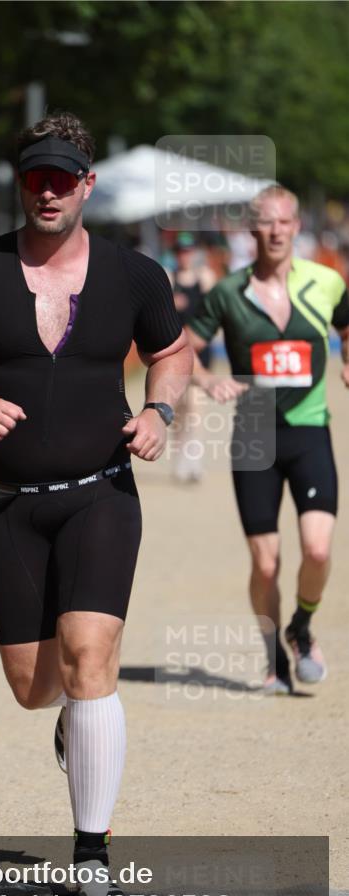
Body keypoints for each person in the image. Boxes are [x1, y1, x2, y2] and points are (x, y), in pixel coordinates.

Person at [0, 111, 192, 896]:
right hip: (5, 505)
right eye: (36, 176)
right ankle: (74, 720)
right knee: (35, 686)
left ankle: (90, 850)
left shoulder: (134, 275)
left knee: (90, 657)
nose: (48, 191)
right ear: (20, 183)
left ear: (86, 186)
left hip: (100, 492)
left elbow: (171, 352)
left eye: (62, 178)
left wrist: (159, 413)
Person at [186, 184, 349, 694]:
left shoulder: (326, 281)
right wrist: (208, 379)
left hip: (310, 427)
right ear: (250, 230)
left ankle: (302, 626)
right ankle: (273, 655)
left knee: (318, 551)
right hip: (254, 432)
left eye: (284, 221)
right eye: (265, 222)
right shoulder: (227, 292)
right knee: (266, 560)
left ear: (297, 227)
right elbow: (179, 347)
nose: (276, 231)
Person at [166, 233, 217, 482]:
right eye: (181, 251)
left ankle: (193, 462)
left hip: (199, 351)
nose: (185, 256)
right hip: (175, 353)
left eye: (189, 251)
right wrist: (170, 303)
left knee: (196, 408)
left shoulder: (205, 277)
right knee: (179, 410)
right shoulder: (169, 277)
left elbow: (214, 311)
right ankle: (180, 458)